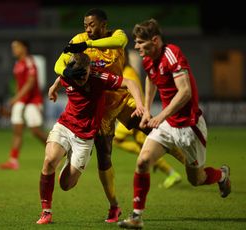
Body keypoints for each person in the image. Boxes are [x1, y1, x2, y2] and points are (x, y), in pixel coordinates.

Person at [56, 8, 185, 223]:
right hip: (100, 108)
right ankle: (114, 205)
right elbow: (60, 63)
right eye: (85, 25)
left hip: (123, 98)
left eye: (91, 25)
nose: (87, 29)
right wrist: (64, 76)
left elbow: (118, 44)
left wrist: (87, 45)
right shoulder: (78, 39)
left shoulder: (118, 35)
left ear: (104, 24)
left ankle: (187, 159)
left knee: (152, 128)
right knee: (104, 156)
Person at [118, 19, 231, 229]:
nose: (136, 47)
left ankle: (222, 175)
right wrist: (146, 109)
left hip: (190, 126)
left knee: (196, 179)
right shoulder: (148, 60)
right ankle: (136, 216)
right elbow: (151, 80)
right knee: (143, 161)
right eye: (135, 42)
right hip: (169, 124)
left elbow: (185, 92)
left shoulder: (171, 53)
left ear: (155, 40)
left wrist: (159, 117)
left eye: (141, 42)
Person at [36, 53, 144, 224]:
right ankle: (46, 212)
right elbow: (60, 78)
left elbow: (130, 82)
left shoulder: (99, 77)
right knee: (49, 161)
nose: (80, 80)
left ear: (89, 69)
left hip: (84, 137)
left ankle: (70, 160)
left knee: (66, 185)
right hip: (65, 125)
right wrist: (53, 88)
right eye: (76, 77)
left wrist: (139, 105)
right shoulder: (69, 74)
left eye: (83, 76)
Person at [113, 50, 182, 189]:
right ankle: (173, 169)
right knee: (140, 146)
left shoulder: (128, 73)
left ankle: (185, 166)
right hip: (132, 116)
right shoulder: (124, 72)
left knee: (153, 146)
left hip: (137, 115)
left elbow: (134, 93)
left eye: (117, 56)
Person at [0, 39, 48, 170]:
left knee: (36, 131)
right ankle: (13, 160)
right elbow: (19, 84)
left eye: (16, 47)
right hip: (20, 101)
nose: (13, 49)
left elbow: (31, 83)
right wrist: (16, 101)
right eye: (12, 47)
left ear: (24, 48)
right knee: (17, 131)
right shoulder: (18, 64)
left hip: (33, 101)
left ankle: (58, 152)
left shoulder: (29, 61)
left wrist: (16, 98)